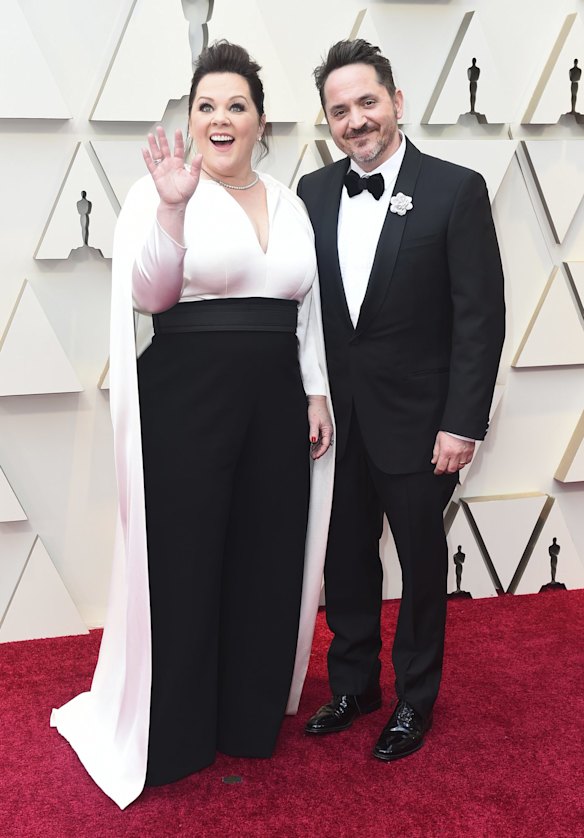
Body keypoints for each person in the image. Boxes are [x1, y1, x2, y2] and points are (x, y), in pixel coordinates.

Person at [51, 41, 335, 809]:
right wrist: (172, 206)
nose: (219, 117)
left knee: (265, 555)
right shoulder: (163, 190)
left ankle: (245, 720)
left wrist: (315, 393)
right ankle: (173, 733)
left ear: (259, 119)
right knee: (184, 559)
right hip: (185, 397)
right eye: (205, 105)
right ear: (191, 118)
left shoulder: (292, 200)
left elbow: (304, 308)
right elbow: (150, 295)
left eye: (235, 105)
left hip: (277, 398)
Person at [298, 39, 505, 761]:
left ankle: (416, 700)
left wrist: (463, 423)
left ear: (396, 102)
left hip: (422, 428)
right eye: (339, 110)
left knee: (420, 569)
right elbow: (311, 313)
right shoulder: (313, 194)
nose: (355, 120)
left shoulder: (457, 188)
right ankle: (354, 686)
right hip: (338, 424)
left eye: (366, 102)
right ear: (327, 121)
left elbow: (481, 318)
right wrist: (313, 394)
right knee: (344, 562)